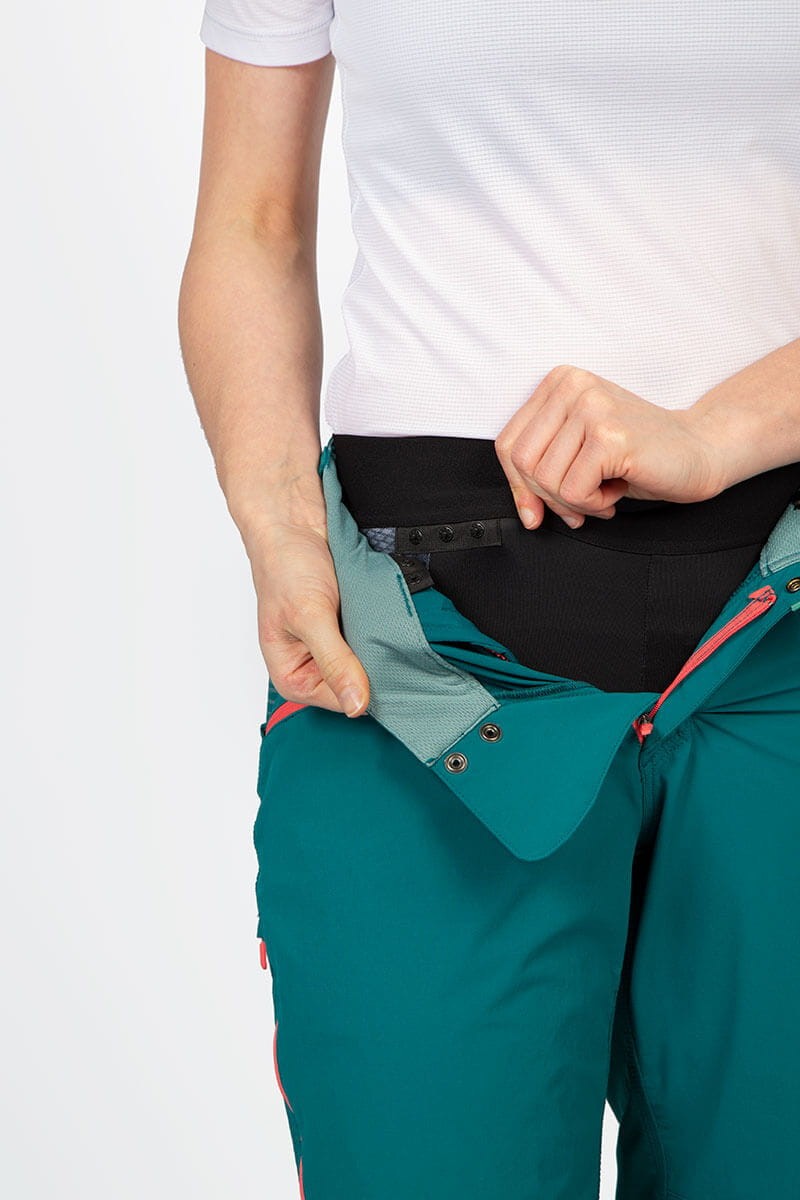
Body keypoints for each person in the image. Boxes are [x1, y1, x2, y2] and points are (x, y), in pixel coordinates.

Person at [178, 4, 800, 1197]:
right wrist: (278, 529)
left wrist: (711, 433)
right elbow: (253, 224)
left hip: (776, 622)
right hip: (409, 669)